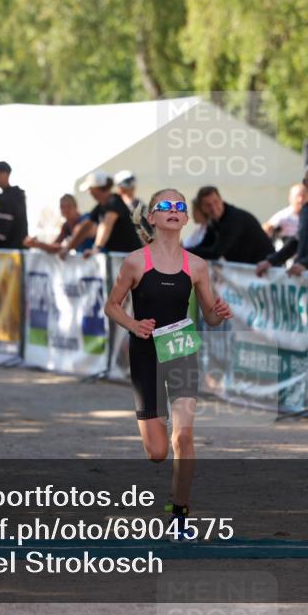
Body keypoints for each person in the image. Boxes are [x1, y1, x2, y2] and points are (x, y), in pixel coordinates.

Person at [104, 188, 233, 541]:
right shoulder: (135, 262)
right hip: (145, 353)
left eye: (180, 206)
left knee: (184, 436)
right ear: (152, 217)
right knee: (158, 452)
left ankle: (180, 515)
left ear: (186, 219)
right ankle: (167, 481)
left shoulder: (197, 265)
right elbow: (112, 305)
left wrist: (218, 313)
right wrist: (134, 325)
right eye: (165, 206)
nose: (174, 211)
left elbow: (210, 313)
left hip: (180, 351)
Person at [186, 186, 274, 264]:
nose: (213, 208)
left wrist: (184, 252)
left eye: (215, 202)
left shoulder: (233, 219)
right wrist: (183, 251)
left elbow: (215, 253)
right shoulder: (213, 221)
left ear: (221, 200)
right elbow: (205, 244)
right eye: (208, 205)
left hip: (266, 268)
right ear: (202, 208)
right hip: (250, 269)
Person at [65, 171, 141, 256]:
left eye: (90, 189)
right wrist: (68, 248)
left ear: (97, 188)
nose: (89, 192)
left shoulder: (114, 202)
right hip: (122, 258)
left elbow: (106, 226)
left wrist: (96, 248)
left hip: (131, 257)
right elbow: (86, 227)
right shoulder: (101, 206)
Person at [26, 194, 95, 254]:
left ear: (75, 207)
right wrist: (37, 244)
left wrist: (67, 248)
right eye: (62, 207)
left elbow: (83, 228)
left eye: (68, 206)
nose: (65, 210)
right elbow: (56, 246)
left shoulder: (86, 218)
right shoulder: (66, 226)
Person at [0, 161, 29, 249]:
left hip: (12, 254)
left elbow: (2, 233)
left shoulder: (10, 198)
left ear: (4, 174)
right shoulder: (12, 196)